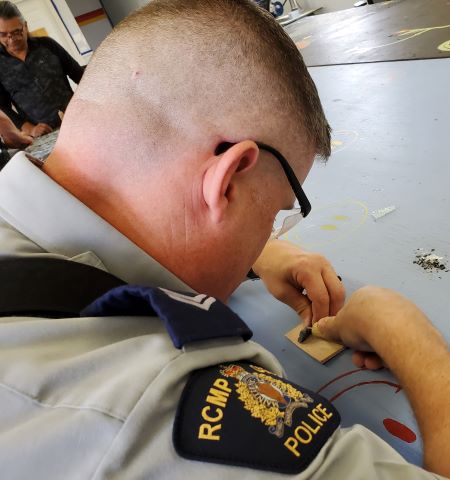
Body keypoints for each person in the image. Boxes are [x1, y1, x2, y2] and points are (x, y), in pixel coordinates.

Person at [0, 1, 448, 479]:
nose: (268, 236)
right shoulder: (152, 417)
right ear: (227, 180)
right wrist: (405, 336)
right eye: (275, 213)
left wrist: (255, 252)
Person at [0, 1, 85, 138]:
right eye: (3, 35)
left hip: (78, 120)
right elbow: (3, 108)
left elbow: (80, 76)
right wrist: (30, 129)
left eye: (16, 32)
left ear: (25, 26)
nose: (11, 40)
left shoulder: (47, 45)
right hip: (43, 135)